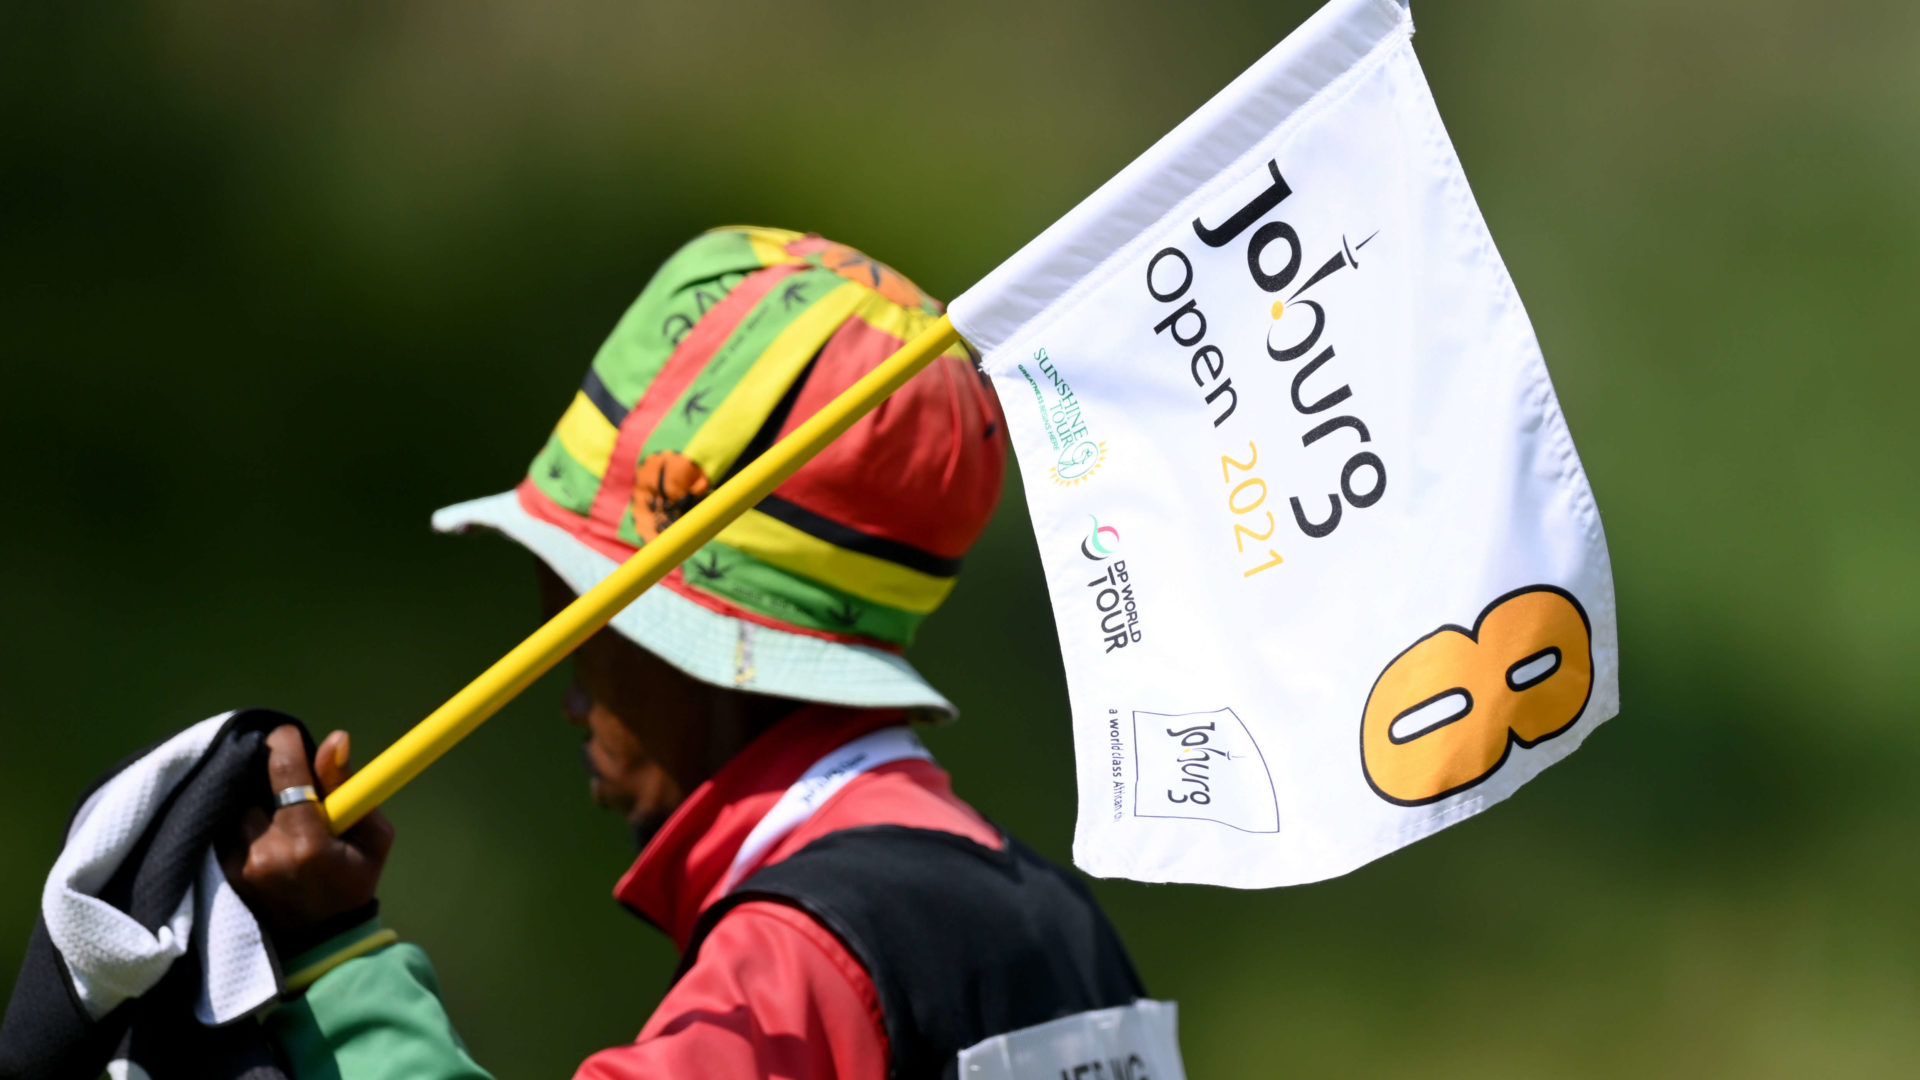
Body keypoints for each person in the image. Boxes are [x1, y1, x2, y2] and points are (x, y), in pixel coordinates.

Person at [223, 226, 1159, 1079]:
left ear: (699, 646)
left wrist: (336, 962)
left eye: (583, 628)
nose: (570, 694)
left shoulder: (794, 964)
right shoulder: (1070, 930)